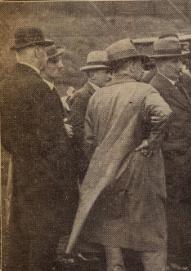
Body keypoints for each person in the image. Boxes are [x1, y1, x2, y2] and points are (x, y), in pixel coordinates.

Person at [66, 39, 172, 271]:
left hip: (107, 176)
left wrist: (107, 157)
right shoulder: (144, 90)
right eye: (139, 64)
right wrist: (151, 141)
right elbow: (163, 113)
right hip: (141, 175)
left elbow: (89, 141)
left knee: (112, 237)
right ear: (132, 65)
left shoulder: (97, 97)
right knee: (152, 238)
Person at [1, 26, 77, 271]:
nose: (46, 55)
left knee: (19, 247)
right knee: (42, 251)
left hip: (21, 179)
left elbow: (9, 138)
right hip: (46, 186)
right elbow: (54, 145)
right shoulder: (40, 89)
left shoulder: (5, 85)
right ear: (36, 52)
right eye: (44, 50)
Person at [150, 37, 191, 270]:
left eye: (179, 60)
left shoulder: (183, 83)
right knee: (174, 212)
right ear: (160, 63)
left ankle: (187, 253)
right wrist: (175, 154)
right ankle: (175, 258)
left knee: (189, 209)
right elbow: (157, 131)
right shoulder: (155, 88)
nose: (179, 65)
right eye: (173, 61)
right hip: (174, 163)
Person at [67, 50, 111, 180]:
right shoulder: (82, 96)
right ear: (92, 75)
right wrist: (94, 158)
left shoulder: (103, 93)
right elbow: (79, 131)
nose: (110, 77)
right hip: (89, 161)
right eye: (106, 72)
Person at [40, 44, 73, 138]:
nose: (61, 66)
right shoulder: (38, 92)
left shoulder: (52, 89)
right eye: (54, 61)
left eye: (60, 61)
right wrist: (61, 128)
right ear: (41, 64)